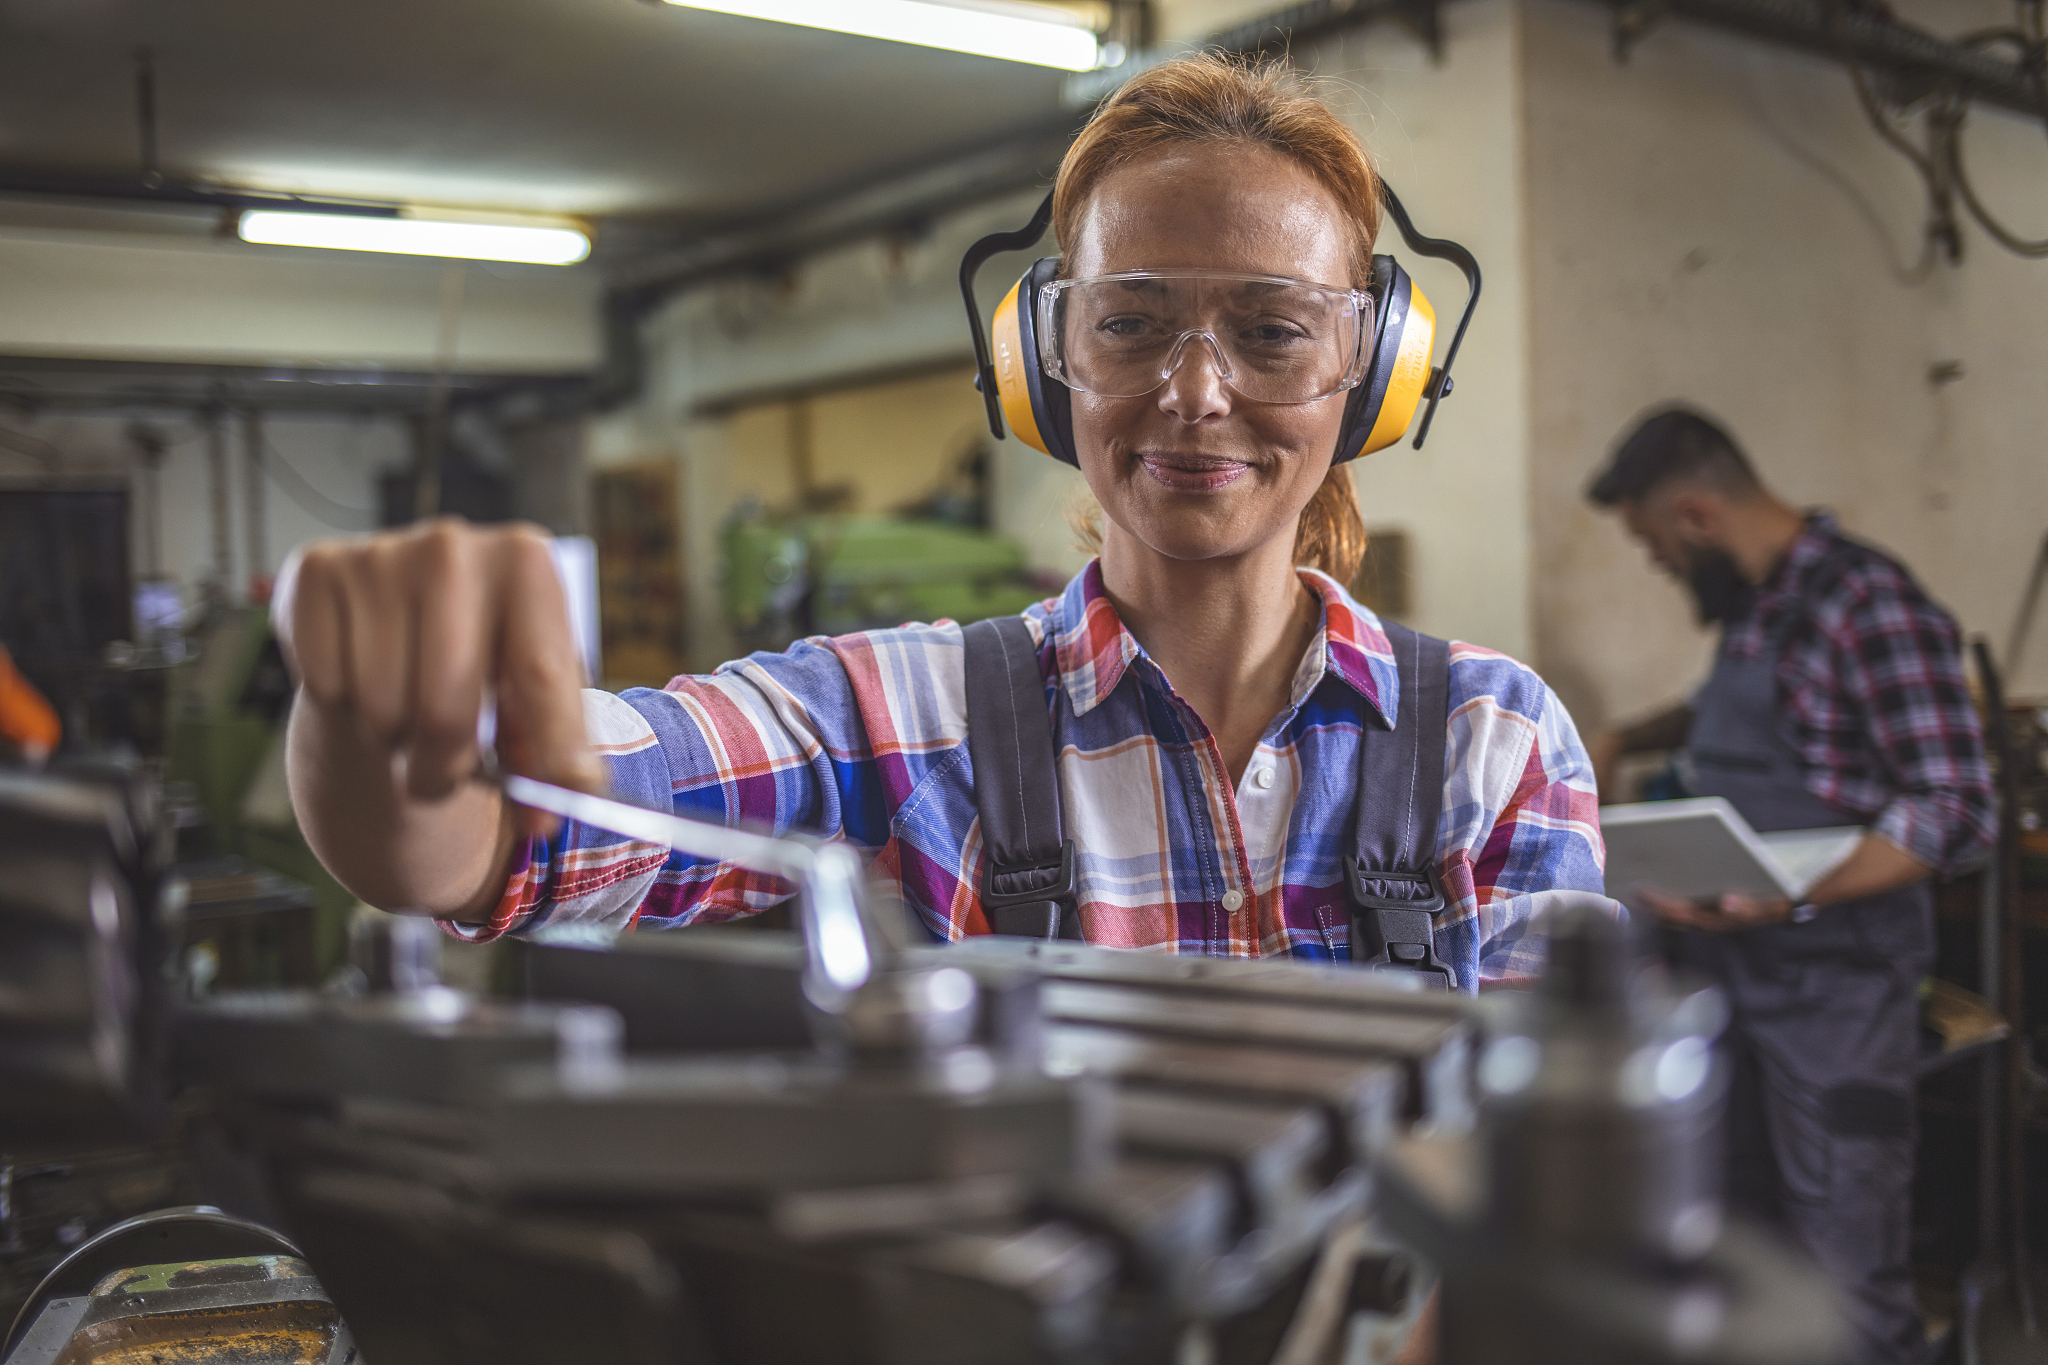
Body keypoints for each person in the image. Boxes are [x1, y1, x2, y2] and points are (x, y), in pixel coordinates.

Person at [277, 56, 1602, 986]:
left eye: (1273, 331)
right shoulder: (903, 721)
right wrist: (376, 723)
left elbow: (1550, 1205)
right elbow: (518, 837)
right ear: (1044, 361)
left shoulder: (1497, 746)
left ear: (1370, 379)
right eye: (1131, 322)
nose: (1198, 391)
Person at [1587, 407, 1995, 1365]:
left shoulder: (1871, 603)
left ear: (1696, 516)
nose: (1665, 569)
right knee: (1743, 1249)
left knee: (1842, 1269)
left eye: (1657, 550)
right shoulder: (1760, 608)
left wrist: (1800, 893)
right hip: (1725, 969)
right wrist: (1620, 741)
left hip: (1835, 985)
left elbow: (1956, 802)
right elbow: (1715, 717)